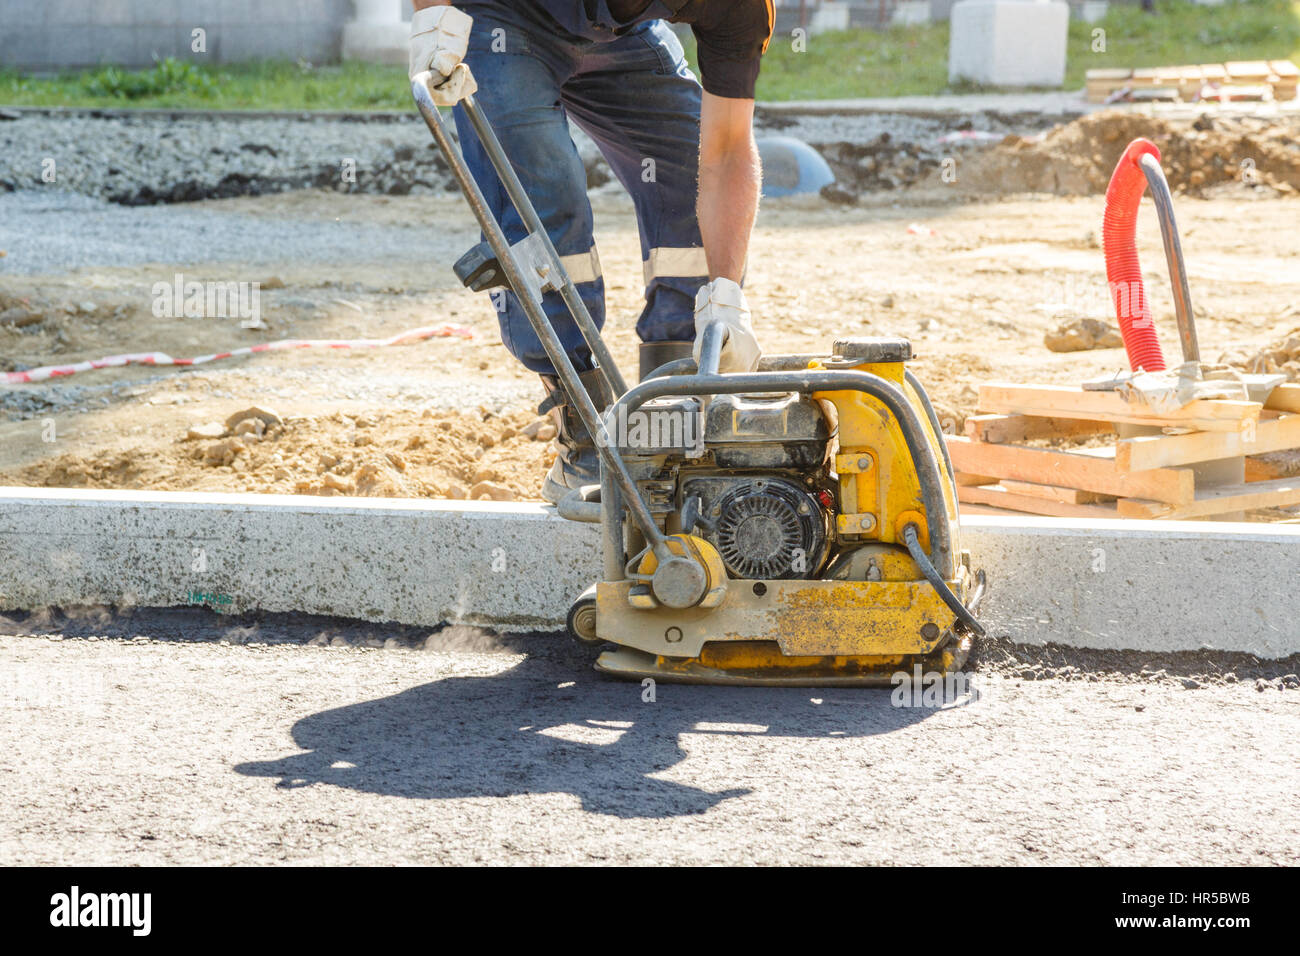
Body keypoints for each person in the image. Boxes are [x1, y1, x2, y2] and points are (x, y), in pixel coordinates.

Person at [410, 1, 772, 501]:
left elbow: (728, 148)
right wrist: (434, 18)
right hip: (505, 17)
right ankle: (583, 428)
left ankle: (674, 414)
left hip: (623, 34)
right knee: (546, 203)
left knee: (686, 169)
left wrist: (725, 295)